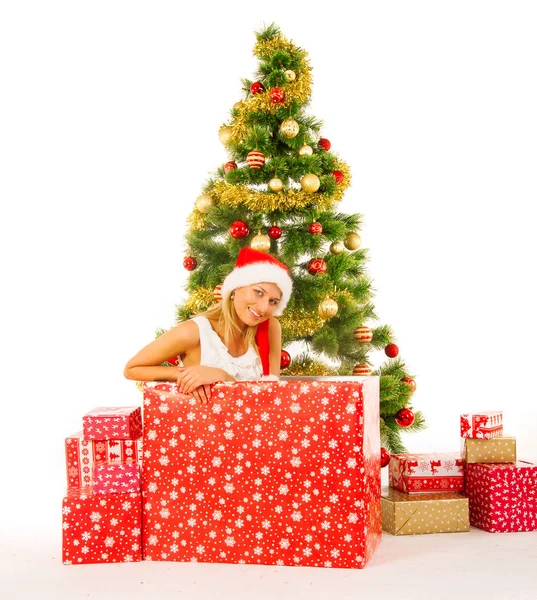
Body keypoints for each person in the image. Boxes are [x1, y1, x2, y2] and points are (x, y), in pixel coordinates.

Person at [124, 247, 293, 404]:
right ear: (235, 288)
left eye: (273, 301)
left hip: (257, 429)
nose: (264, 308)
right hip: (206, 432)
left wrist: (221, 376)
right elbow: (132, 369)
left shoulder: (270, 328)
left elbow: (271, 395)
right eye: (258, 292)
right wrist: (187, 375)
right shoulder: (195, 332)